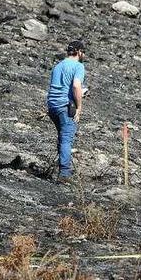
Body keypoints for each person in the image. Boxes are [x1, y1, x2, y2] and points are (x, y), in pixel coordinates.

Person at [46, 40, 87, 182]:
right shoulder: (78, 66)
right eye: (84, 52)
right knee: (66, 139)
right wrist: (79, 107)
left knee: (62, 137)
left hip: (52, 106)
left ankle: (60, 169)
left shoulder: (58, 66)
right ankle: (64, 174)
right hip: (65, 106)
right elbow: (76, 86)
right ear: (79, 52)